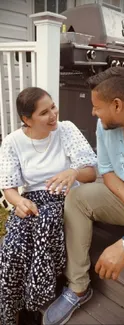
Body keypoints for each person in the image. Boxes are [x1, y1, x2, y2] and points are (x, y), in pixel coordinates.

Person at [43, 67, 124, 325]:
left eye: (97, 106)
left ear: (117, 105)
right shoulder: (106, 126)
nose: (93, 112)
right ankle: (79, 286)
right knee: (78, 197)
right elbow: (106, 171)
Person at [0, 86, 97, 325]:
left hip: (67, 199)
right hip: (32, 201)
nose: (53, 114)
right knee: (12, 248)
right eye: (44, 113)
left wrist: (73, 172)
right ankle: (10, 314)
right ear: (27, 119)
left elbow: (91, 173)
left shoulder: (66, 130)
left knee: (45, 227)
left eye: (52, 107)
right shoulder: (13, 142)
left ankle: (35, 303)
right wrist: (19, 202)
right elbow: (9, 187)